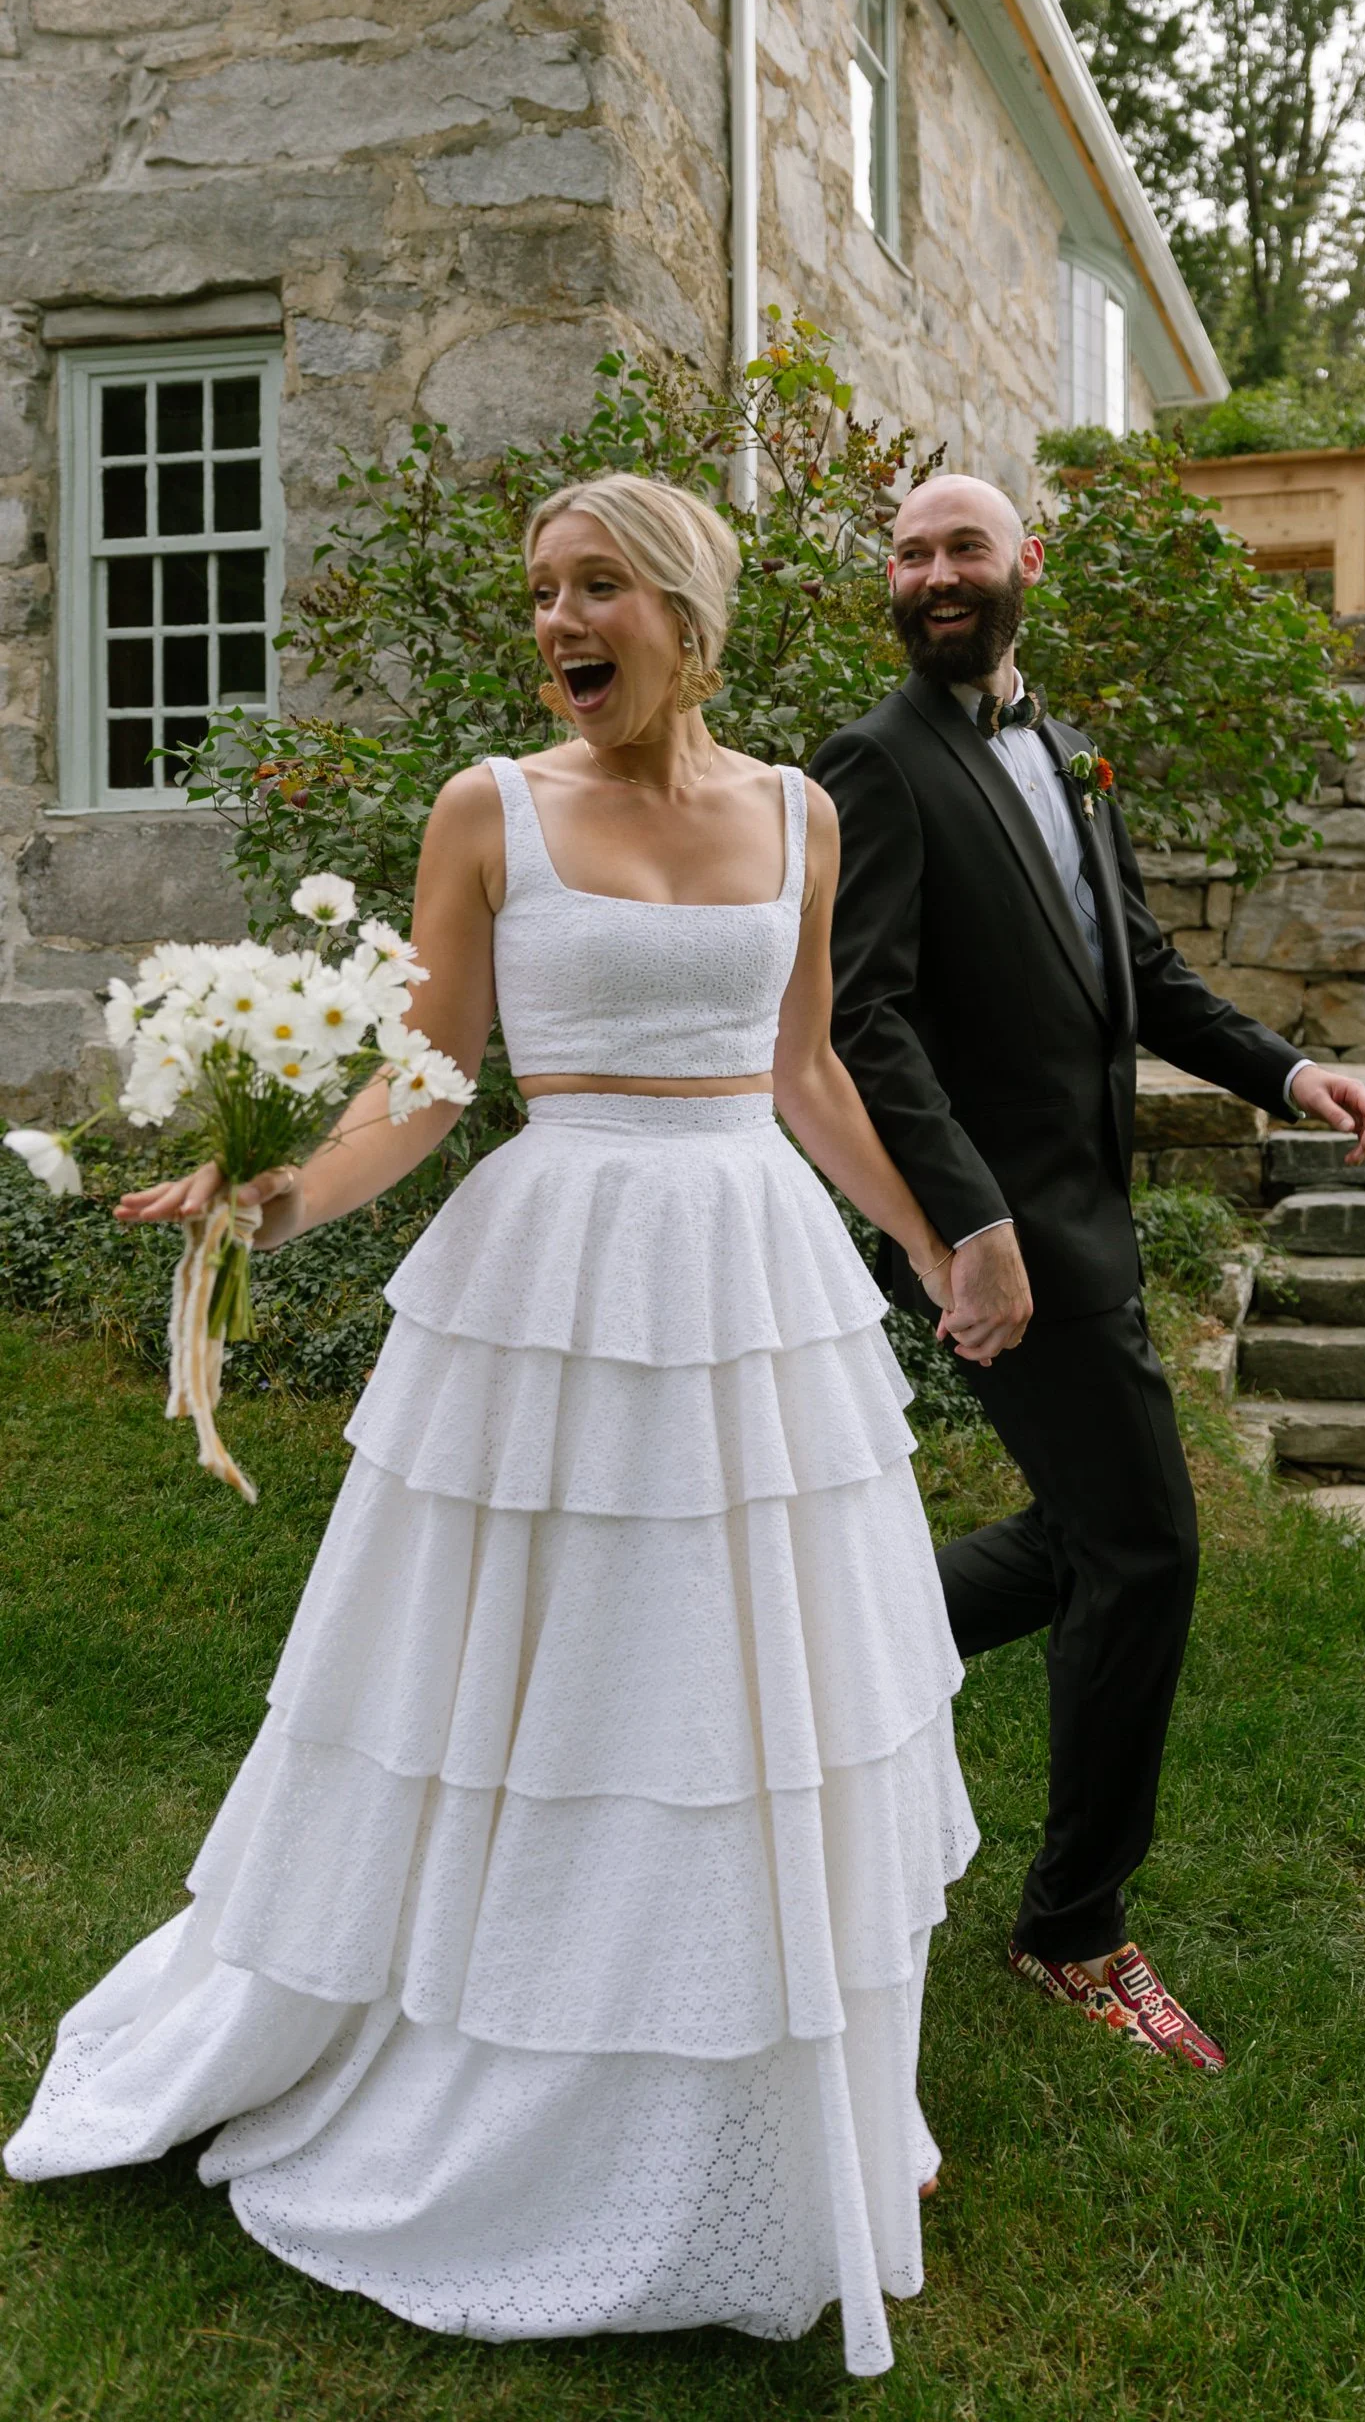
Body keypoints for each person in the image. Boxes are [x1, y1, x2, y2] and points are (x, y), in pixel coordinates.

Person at [4, 474, 980, 2381]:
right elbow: (431, 1085)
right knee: (546, 1685)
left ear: (681, 608)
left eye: (593, 586)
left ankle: (793, 2096)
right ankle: (505, 2063)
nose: (556, 623)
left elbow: (802, 1071)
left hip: (755, 1285)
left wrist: (942, 1246)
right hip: (555, 1270)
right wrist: (266, 1195)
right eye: (540, 594)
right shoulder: (491, 810)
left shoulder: (800, 812)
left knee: (752, 1686)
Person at [811, 473, 1365, 2071]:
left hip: (1091, 1213)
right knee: (1144, 1553)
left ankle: (823, 1650)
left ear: (1020, 567)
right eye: (910, 552)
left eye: (961, 548)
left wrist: (1280, 1075)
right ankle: (1073, 1928)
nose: (932, 573)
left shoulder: (1066, 749)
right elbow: (860, 1021)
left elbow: (1133, 968)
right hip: (1006, 1238)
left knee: (1089, 1542)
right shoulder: (875, 761)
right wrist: (962, 1222)